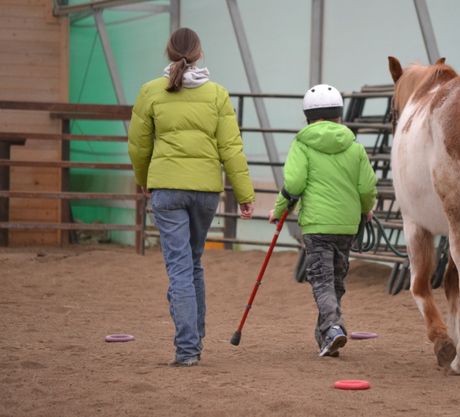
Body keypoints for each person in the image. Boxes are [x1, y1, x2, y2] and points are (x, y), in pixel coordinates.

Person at [128, 28, 255, 367]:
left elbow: (139, 145)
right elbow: (231, 148)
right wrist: (244, 194)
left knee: (180, 270)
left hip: (167, 190)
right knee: (193, 264)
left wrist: (144, 180)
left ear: (168, 53)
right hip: (204, 192)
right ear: (200, 53)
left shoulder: (151, 91)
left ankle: (187, 349)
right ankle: (194, 339)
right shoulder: (216, 94)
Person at [269, 84, 377, 357]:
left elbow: (293, 183)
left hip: (317, 225)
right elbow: (367, 187)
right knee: (336, 281)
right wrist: (367, 209)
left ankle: (332, 328)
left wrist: (280, 209)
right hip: (346, 225)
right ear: (339, 115)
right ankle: (327, 336)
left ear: (307, 117)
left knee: (322, 280)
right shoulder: (355, 147)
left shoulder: (302, 144)